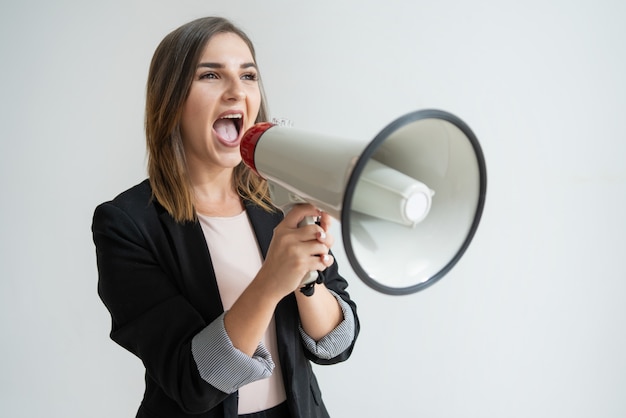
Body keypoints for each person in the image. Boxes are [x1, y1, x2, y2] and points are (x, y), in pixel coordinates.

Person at [92, 16, 359, 418]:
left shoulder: (278, 201)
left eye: (248, 75)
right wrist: (271, 280)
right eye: (211, 75)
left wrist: (306, 279)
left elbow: (335, 345)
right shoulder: (126, 225)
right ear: (172, 100)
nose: (237, 91)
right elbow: (193, 381)